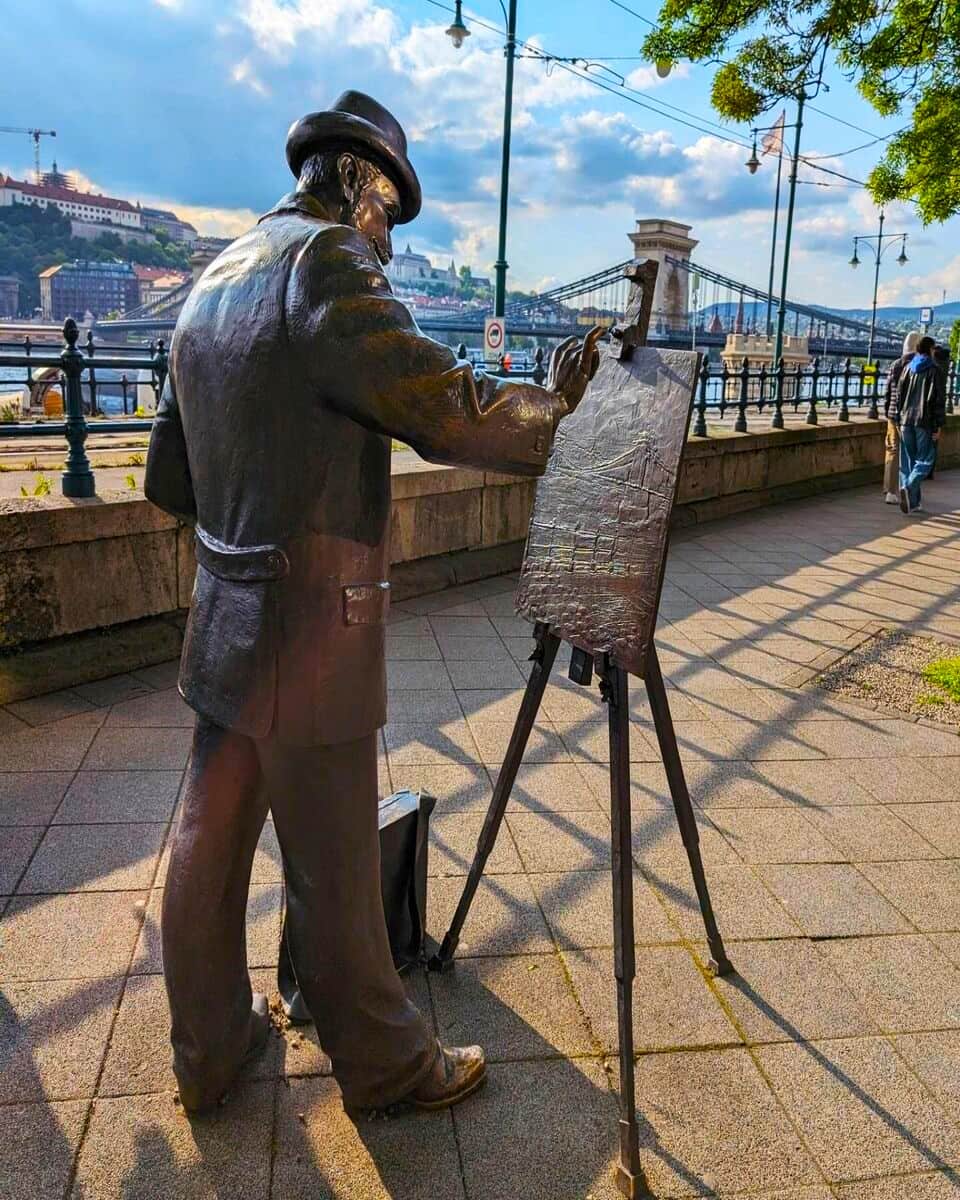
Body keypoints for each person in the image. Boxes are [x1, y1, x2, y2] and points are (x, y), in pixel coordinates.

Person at [144, 91, 601, 1118]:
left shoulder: (212, 277)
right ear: (357, 182)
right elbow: (443, 404)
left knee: (204, 844)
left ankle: (208, 1049)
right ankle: (388, 1068)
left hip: (224, 604)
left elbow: (168, 480)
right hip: (310, 617)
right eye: (390, 213)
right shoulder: (326, 263)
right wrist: (559, 413)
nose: (389, 242)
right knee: (339, 862)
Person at [897, 334, 946, 514]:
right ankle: (909, 486)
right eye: (934, 349)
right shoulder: (935, 370)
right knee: (925, 460)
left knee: (908, 462)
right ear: (930, 349)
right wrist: (938, 426)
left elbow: (899, 396)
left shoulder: (908, 368)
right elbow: (938, 400)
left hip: (905, 420)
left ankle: (914, 503)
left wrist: (897, 418)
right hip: (923, 421)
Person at [882, 330, 919, 503]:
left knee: (892, 450)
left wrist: (887, 410)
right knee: (910, 453)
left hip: (892, 414)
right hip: (910, 416)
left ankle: (890, 491)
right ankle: (908, 490)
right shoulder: (920, 366)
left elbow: (888, 391)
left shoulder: (895, 364)